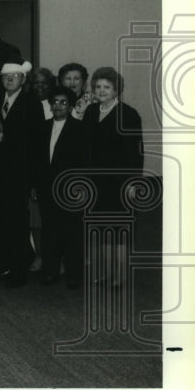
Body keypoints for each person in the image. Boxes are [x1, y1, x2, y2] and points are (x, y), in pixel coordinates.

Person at [81, 66, 144, 287]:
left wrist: (134, 183)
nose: (101, 90)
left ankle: (120, 277)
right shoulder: (90, 112)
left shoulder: (128, 114)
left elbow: (136, 153)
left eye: (106, 87)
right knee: (99, 229)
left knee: (118, 232)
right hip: (95, 182)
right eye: (97, 86)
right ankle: (106, 273)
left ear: (116, 90)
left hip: (119, 182)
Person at [0, 60, 45, 287]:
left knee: (17, 224)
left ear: (23, 79)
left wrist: (6, 139)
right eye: (5, 77)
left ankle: (18, 272)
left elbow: (35, 139)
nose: (9, 80)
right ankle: (3, 266)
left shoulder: (31, 103)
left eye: (14, 77)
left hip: (19, 175)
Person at [35, 86, 88, 289]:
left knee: (72, 232)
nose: (58, 106)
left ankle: (74, 274)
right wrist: (35, 185)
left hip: (70, 189)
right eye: (55, 102)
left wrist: (82, 186)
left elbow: (85, 160)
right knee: (49, 231)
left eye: (63, 102)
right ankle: (51, 270)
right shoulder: (43, 127)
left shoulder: (80, 129)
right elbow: (38, 160)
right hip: (46, 188)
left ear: (71, 106)